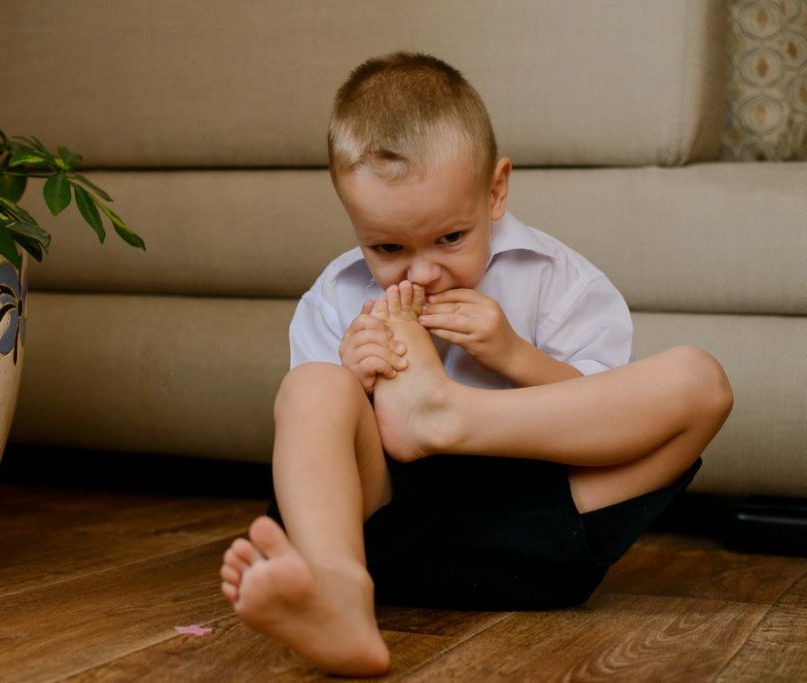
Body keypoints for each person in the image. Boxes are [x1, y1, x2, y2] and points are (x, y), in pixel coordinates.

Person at [217, 51, 733, 677]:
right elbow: (318, 448)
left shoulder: (558, 280)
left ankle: (446, 415)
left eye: (450, 239)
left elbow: (605, 416)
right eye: (387, 247)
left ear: (495, 190)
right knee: (311, 387)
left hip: (537, 528)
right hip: (384, 536)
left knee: (699, 381)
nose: (423, 271)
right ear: (354, 223)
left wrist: (517, 358)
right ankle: (337, 591)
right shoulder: (336, 295)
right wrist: (357, 380)